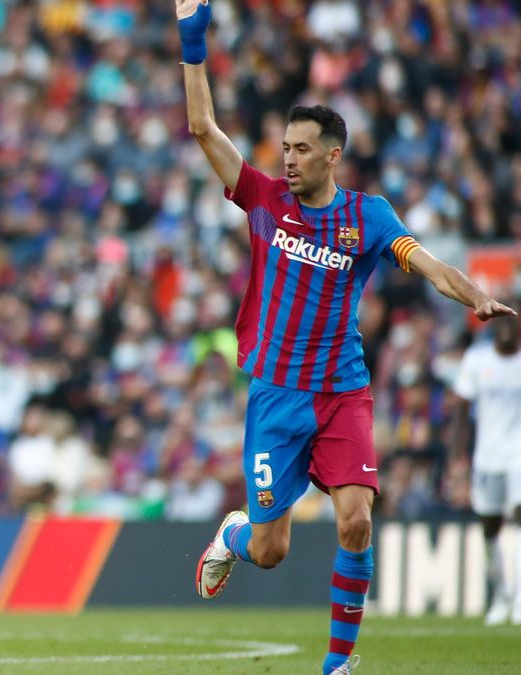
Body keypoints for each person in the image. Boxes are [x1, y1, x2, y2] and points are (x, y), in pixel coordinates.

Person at [174, 2, 517, 673]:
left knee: (355, 521)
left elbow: (425, 261)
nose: (289, 159)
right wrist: (193, 40)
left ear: (333, 156)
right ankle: (235, 534)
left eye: (302, 150)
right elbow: (200, 126)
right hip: (277, 396)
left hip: (343, 393)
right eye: (285, 148)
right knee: (271, 550)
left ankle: (337, 664)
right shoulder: (264, 199)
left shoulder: (368, 217)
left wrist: (471, 292)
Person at [452, 311, 521, 626]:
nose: (507, 327)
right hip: (486, 456)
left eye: (512, 320)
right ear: (493, 325)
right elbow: (461, 412)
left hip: (517, 455)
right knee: (490, 528)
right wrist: (457, 456)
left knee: (519, 518)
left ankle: (519, 597)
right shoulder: (477, 361)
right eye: (502, 321)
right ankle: (502, 595)